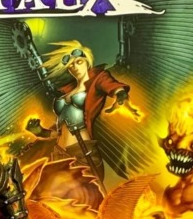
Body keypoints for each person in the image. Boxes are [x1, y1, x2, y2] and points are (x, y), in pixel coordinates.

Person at [26, 40, 139, 183]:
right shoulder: (66, 92)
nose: (75, 67)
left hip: (83, 153)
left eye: (79, 62)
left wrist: (120, 93)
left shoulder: (98, 79)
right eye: (71, 65)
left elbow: (111, 85)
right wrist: (41, 132)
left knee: (86, 194)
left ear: (87, 61)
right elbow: (62, 130)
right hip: (59, 154)